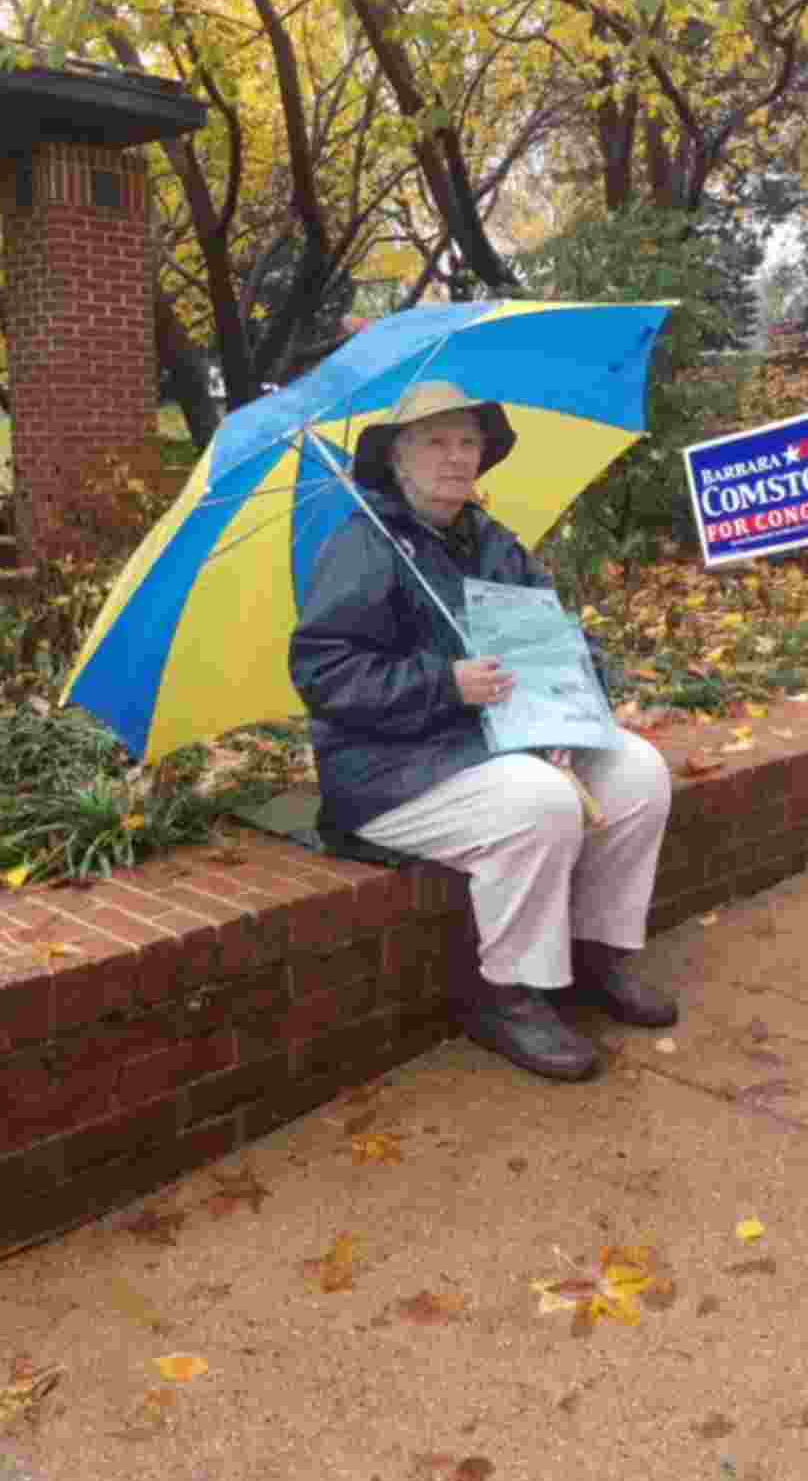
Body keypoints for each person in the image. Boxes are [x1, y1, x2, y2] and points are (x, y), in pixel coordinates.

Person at [289, 382, 676, 1081]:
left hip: (489, 747)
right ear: (398, 459)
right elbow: (325, 675)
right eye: (435, 441)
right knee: (538, 799)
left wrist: (568, 712)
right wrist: (445, 682)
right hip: (386, 771)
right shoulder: (365, 547)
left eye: (468, 441)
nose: (456, 456)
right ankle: (505, 993)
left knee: (637, 769)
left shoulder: (494, 543)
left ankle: (597, 953)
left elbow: (561, 642)